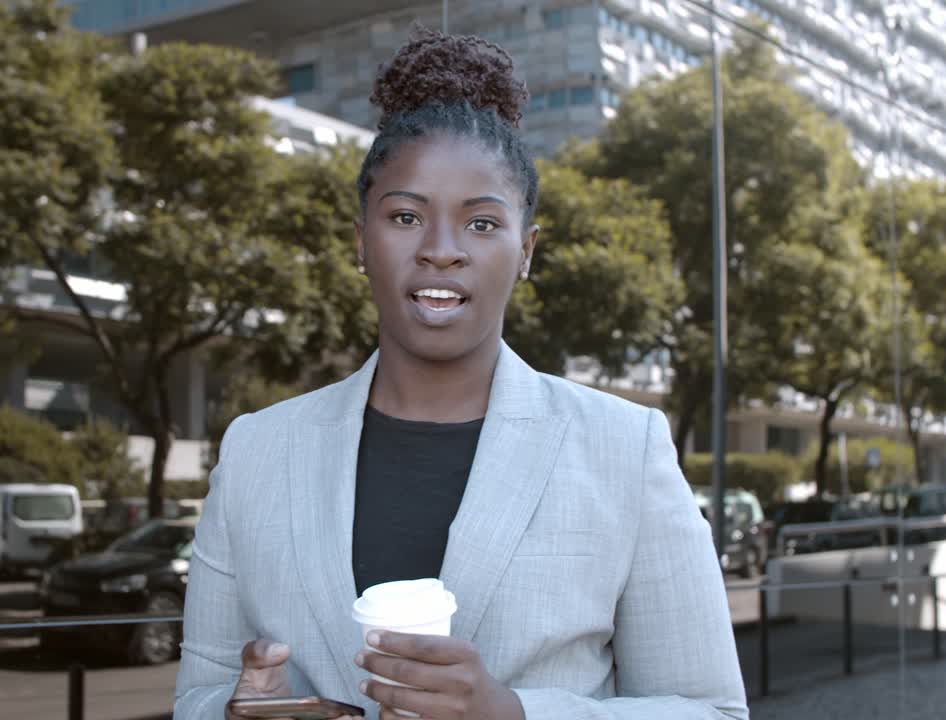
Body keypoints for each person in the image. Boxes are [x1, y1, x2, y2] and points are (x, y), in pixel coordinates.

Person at [175, 27, 748, 720]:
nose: (441, 251)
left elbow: (711, 710)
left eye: (481, 224)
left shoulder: (624, 449)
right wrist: (233, 713)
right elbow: (199, 697)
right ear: (361, 241)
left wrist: (512, 713)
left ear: (526, 249)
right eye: (407, 216)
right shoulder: (255, 453)